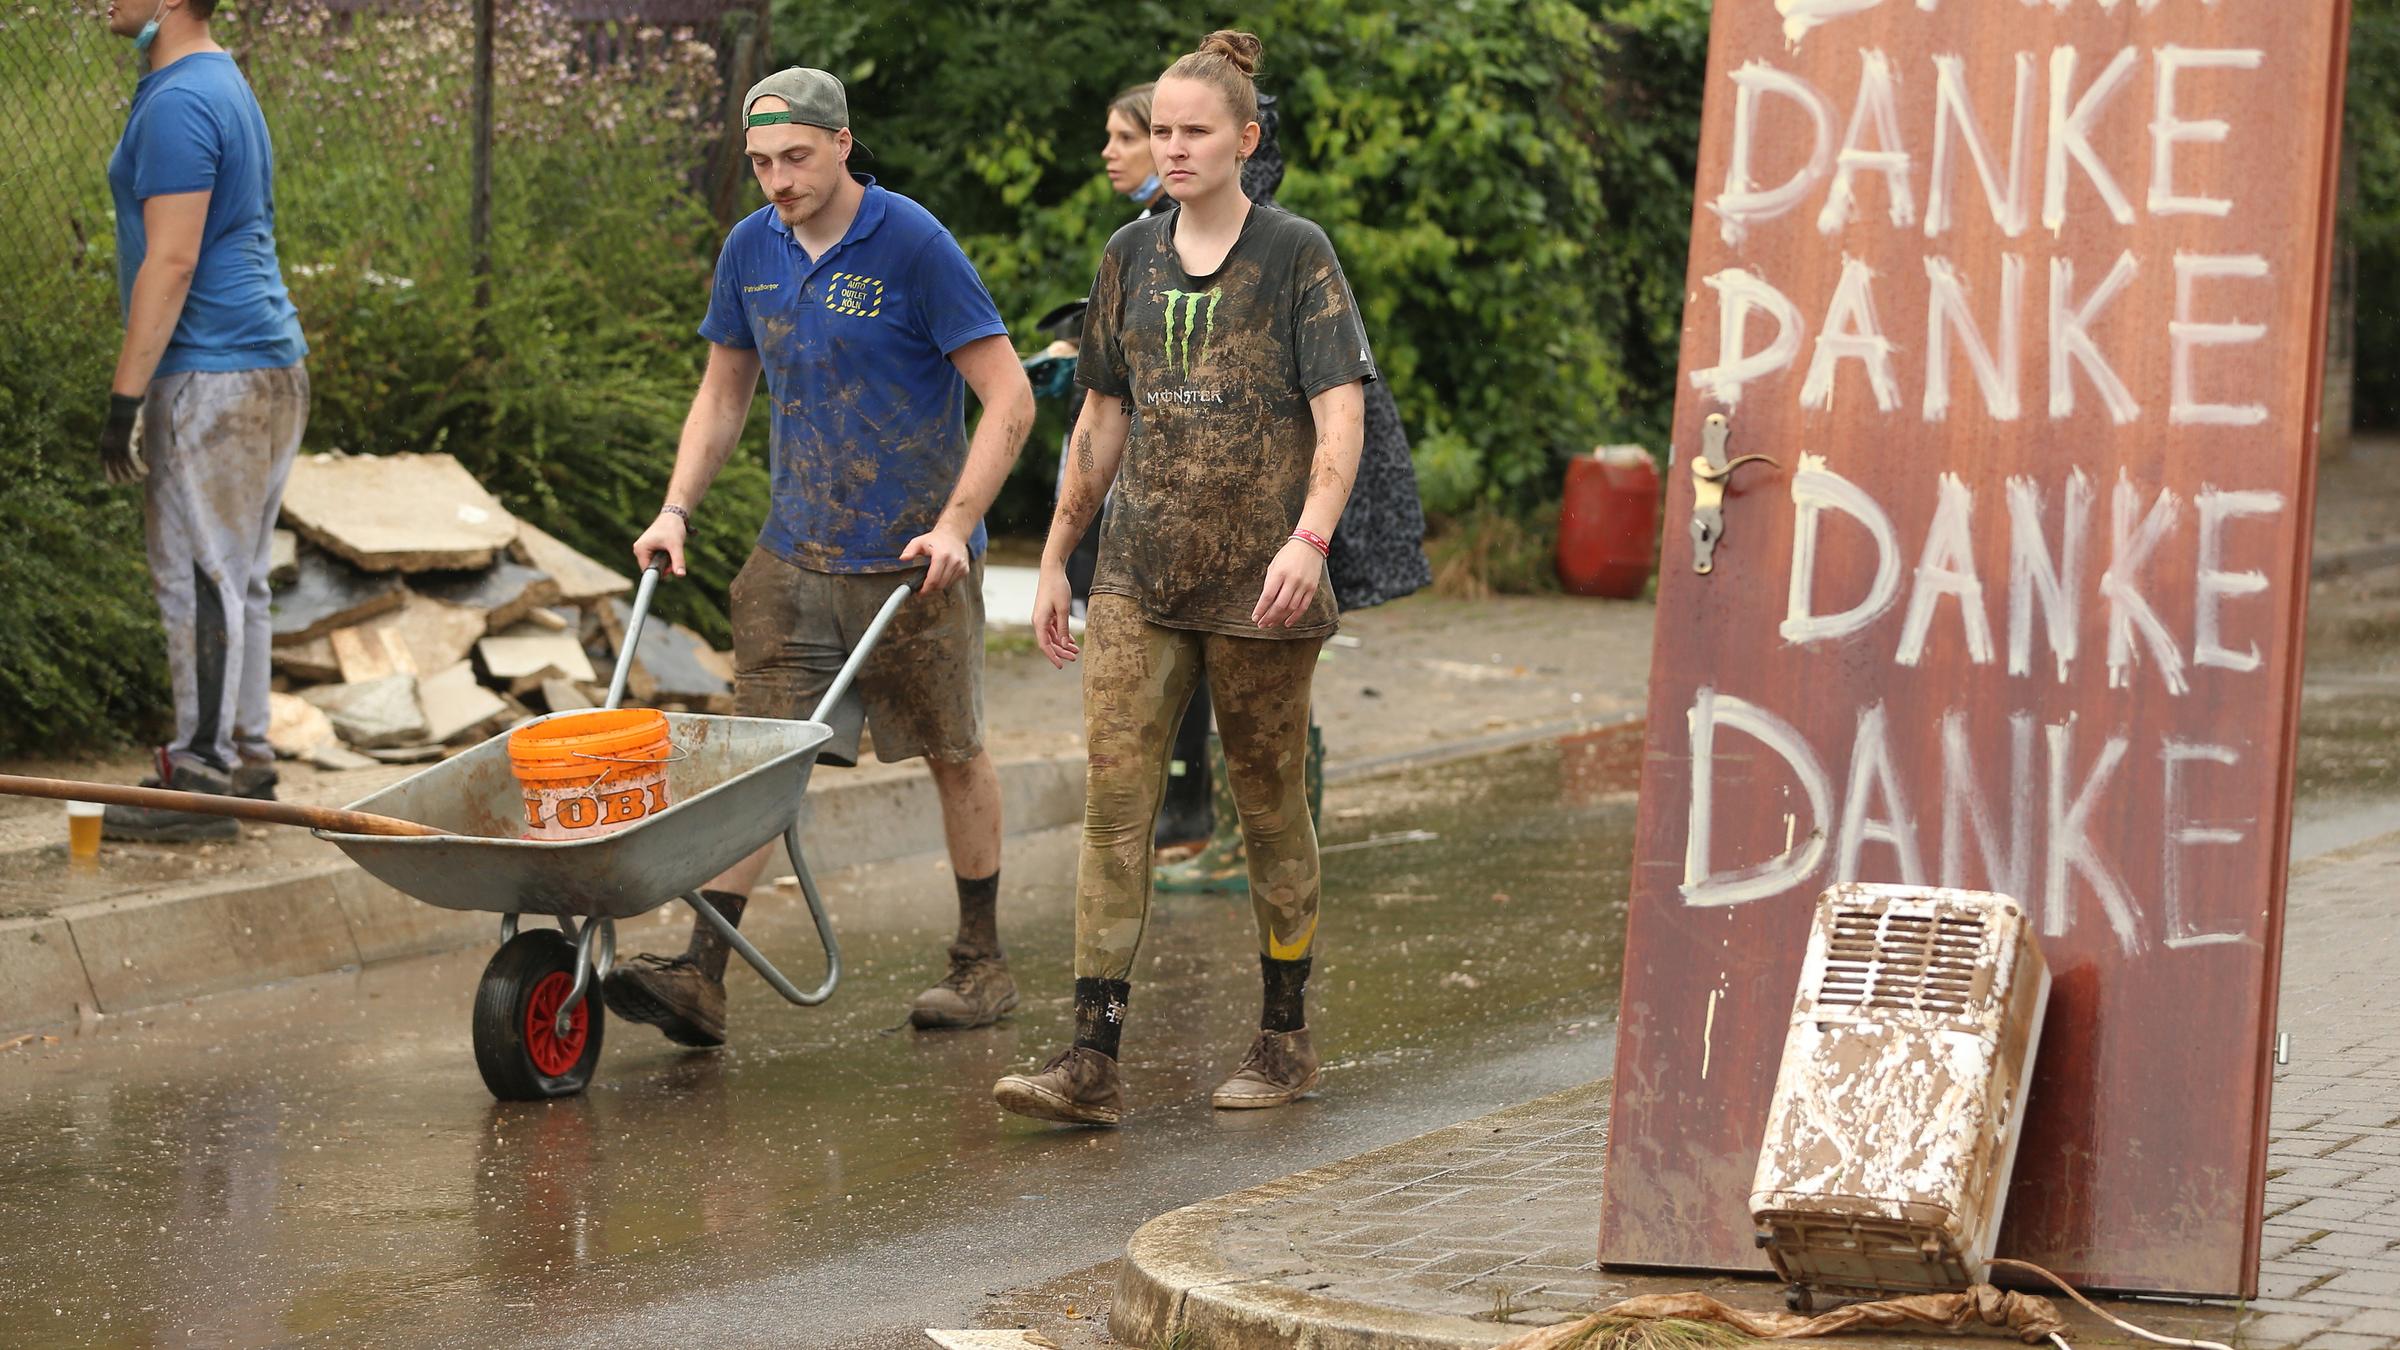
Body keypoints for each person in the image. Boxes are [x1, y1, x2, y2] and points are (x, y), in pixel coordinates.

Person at [602, 67, 1036, 1048]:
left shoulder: (914, 244)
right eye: (760, 163)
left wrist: (958, 524)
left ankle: (981, 964)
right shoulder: (750, 250)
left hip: (913, 561)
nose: (778, 181)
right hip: (794, 557)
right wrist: (675, 510)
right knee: (759, 761)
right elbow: (722, 398)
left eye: (795, 157)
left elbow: (1010, 396)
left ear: (843, 143)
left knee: (953, 751)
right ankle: (702, 978)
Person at [992, 30, 1371, 1126]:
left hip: (1264, 585)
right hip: (1139, 575)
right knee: (1116, 807)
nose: (1172, 149)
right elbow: (1102, 415)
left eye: (1193, 130)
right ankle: (1088, 1057)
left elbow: (1338, 409)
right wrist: (1058, 555)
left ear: (1247, 140)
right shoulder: (1128, 255)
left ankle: (1283, 1036)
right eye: (1159, 130)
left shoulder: (1297, 253)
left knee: (1265, 802)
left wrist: (1309, 539)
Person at [1150, 72, 1432, 893]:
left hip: (1294, 473)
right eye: (1153, 132)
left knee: (1277, 653)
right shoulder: (1152, 239)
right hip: (1234, 490)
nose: (1141, 149)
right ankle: (1254, 832)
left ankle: (1263, 836)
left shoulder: (1272, 240)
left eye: (1176, 132)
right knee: (1248, 655)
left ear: (1239, 141)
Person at [96, 0, 312, 843]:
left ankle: (201, 771)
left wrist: (125, 398)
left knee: (201, 574)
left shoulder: (183, 98)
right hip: (267, 359)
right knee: (241, 571)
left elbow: (174, 256)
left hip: (213, 372)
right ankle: (247, 757)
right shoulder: (219, 80)